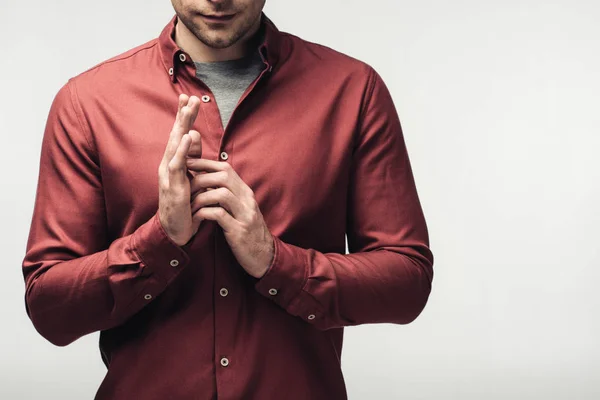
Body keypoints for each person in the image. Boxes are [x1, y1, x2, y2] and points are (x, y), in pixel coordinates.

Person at [21, 1, 435, 399]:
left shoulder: (353, 91)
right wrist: (159, 241)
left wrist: (276, 263)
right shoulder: (88, 102)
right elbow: (50, 309)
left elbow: (407, 280)